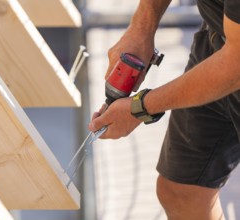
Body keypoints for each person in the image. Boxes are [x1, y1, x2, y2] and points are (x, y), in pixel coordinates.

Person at [88, 0, 240, 219]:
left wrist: (140, 107)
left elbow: (234, 66)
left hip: (233, 61)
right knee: (182, 191)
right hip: (219, 38)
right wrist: (142, 27)